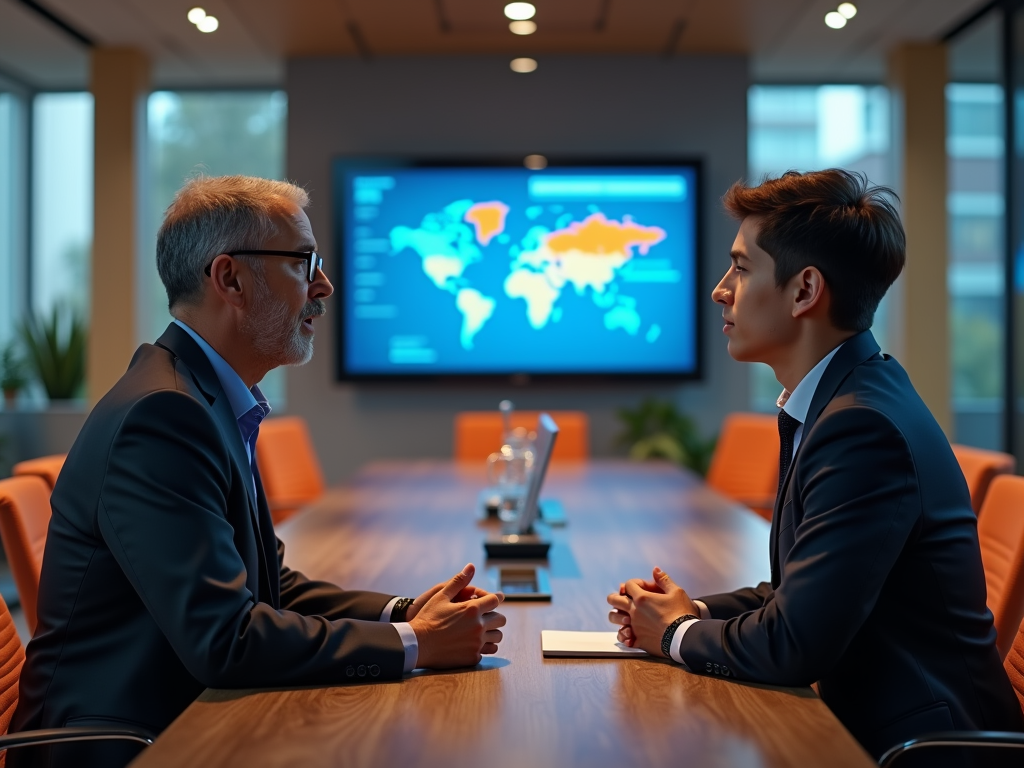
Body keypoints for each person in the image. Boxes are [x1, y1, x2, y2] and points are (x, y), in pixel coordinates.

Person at [9, 176, 506, 767]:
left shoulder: (205, 399)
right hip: (124, 743)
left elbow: (269, 583)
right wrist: (417, 644)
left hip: (181, 717)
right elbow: (226, 639)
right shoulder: (163, 415)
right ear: (231, 280)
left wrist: (402, 611)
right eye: (304, 263)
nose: (323, 285)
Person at [607, 169, 1023, 760]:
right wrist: (691, 610)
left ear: (804, 291)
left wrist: (674, 635)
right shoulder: (848, 395)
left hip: (919, 746)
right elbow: (799, 595)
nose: (720, 290)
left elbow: (794, 643)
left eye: (742, 268)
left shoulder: (863, 425)